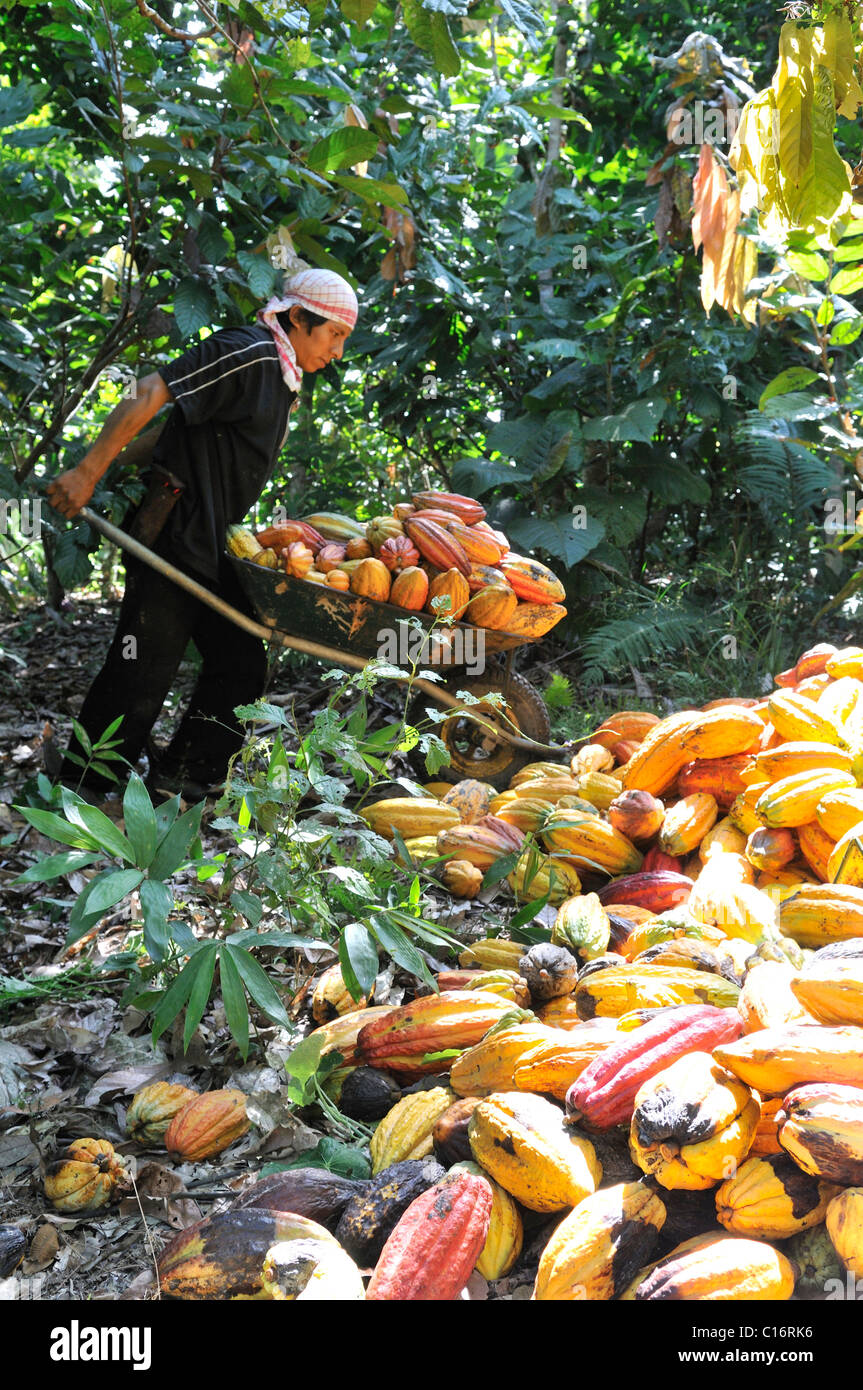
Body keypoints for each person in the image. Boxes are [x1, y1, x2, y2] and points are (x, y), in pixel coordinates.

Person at [46, 267, 359, 801]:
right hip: (177, 532)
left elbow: (175, 430)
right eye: (334, 335)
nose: (337, 352)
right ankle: (81, 788)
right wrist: (88, 472)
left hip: (213, 542)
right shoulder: (249, 352)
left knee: (241, 659)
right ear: (300, 318)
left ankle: (184, 776)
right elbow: (150, 392)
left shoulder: (280, 378)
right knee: (141, 668)